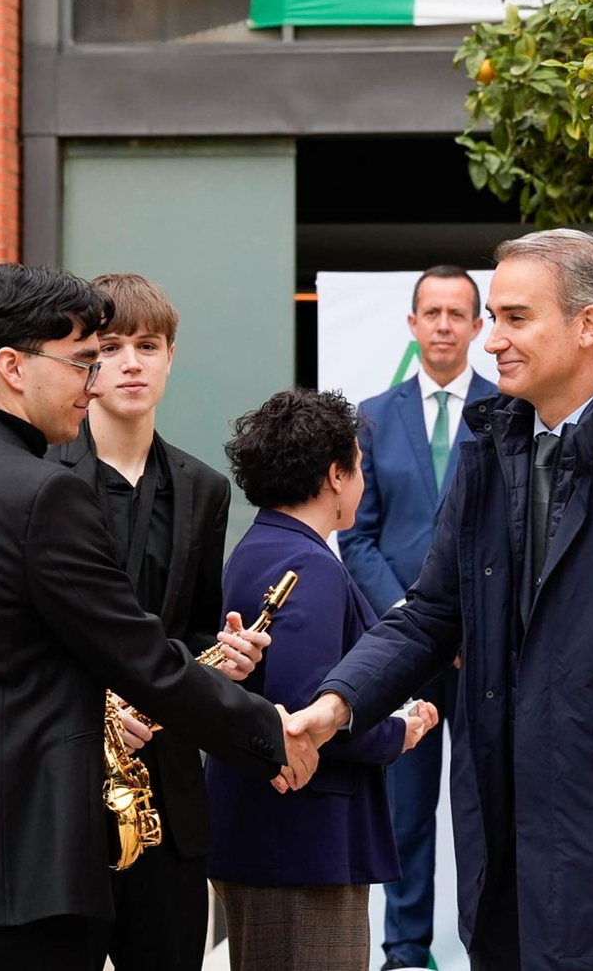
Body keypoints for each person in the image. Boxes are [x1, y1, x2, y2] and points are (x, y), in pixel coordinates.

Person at [289, 229, 593, 971]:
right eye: (493, 317)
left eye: (515, 318)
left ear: (589, 326)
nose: (490, 341)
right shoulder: (488, 456)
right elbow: (429, 614)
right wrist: (335, 705)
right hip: (502, 868)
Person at [0, 263, 315, 971]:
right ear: (13, 366)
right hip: (26, 861)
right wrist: (268, 729)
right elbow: (141, 660)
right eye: (83, 362)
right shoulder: (43, 494)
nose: (93, 382)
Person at [46, 272, 270, 971]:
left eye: (149, 344)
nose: (133, 361)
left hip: (167, 797)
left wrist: (224, 655)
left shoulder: (203, 486)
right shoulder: (39, 475)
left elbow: (196, 627)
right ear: (85, 361)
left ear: (172, 357)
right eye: (111, 346)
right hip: (63, 790)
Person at [207, 388, 440, 971]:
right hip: (303, 844)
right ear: (336, 475)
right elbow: (303, 713)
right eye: (358, 465)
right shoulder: (306, 563)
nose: (362, 478)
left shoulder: (261, 547)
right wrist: (396, 732)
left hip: (279, 841)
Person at [340, 264, 497, 971]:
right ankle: (405, 951)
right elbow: (358, 535)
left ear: (477, 325)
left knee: (487, 808)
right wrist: (417, 619)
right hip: (405, 649)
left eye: (456, 312)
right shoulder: (372, 416)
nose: (442, 324)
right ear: (412, 324)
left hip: (485, 651)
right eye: (430, 311)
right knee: (405, 813)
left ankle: (490, 943)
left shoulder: (510, 411)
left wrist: (466, 624)